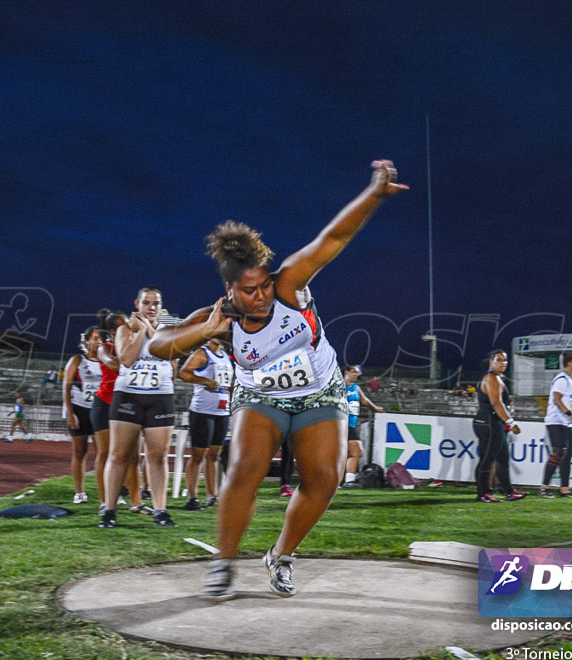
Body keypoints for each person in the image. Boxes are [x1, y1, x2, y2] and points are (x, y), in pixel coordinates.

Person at [146, 159, 406, 600]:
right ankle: (223, 563)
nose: (262, 296)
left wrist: (374, 193)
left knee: (326, 478)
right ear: (230, 292)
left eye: (264, 285)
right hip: (259, 397)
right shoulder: (220, 319)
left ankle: (280, 555)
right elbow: (159, 345)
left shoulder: (288, 286)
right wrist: (205, 331)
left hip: (320, 392)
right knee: (244, 467)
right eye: (250, 291)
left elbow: (334, 238)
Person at [99, 287, 178, 529]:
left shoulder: (170, 331)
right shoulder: (125, 329)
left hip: (160, 397)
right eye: (146, 303)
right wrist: (140, 332)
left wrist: (150, 331)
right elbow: (126, 360)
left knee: (158, 456)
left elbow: (170, 360)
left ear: (161, 306)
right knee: (119, 455)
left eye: (155, 303)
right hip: (128, 397)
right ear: (137, 304)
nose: (151, 307)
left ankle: (160, 510)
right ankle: (109, 510)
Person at [90, 309, 142, 514]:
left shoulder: (133, 346)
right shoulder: (105, 348)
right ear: (113, 331)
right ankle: (104, 501)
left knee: (133, 455)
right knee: (106, 453)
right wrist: (129, 353)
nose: (129, 328)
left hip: (127, 403)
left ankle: (136, 502)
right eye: (125, 325)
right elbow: (115, 366)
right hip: (105, 404)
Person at [178, 338, 234, 510]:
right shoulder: (202, 353)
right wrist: (205, 381)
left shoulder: (225, 356)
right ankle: (192, 497)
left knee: (214, 455)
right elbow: (184, 373)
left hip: (222, 411)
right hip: (203, 411)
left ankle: (212, 495)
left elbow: (227, 382)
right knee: (198, 455)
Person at [473, 350, 527, 502]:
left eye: (505, 360)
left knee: (502, 459)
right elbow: (496, 403)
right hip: (490, 423)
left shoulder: (496, 378)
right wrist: (511, 422)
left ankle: (509, 491)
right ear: (491, 361)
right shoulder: (491, 378)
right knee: (487, 459)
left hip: (491, 422)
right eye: (499, 359)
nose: (503, 362)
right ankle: (482, 494)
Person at [63, 327, 105, 504]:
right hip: (80, 409)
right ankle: (79, 492)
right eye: (94, 339)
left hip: (99, 410)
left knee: (104, 453)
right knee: (80, 452)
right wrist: (70, 413)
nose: (98, 342)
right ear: (86, 341)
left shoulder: (108, 361)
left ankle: (108, 492)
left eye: (101, 339)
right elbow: (66, 387)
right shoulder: (77, 360)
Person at [539, 354, 572, 499]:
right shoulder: (561, 380)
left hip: (565, 423)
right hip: (556, 422)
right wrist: (571, 415)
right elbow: (556, 399)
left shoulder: (570, 381)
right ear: (569, 363)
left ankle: (565, 490)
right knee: (558, 454)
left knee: (566, 456)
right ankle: (543, 489)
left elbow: (570, 405)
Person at [340, 364, 384, 488]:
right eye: (353, 372)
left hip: (350, 425)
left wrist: (376, 409)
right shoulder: (338, 386)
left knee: (355, 452)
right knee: (351, 452)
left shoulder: (355, 387)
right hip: (339, 424)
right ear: (346, 372)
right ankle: (340, 481)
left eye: (357, 373)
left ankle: (348, 481)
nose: (356, 375)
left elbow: (364, 401)